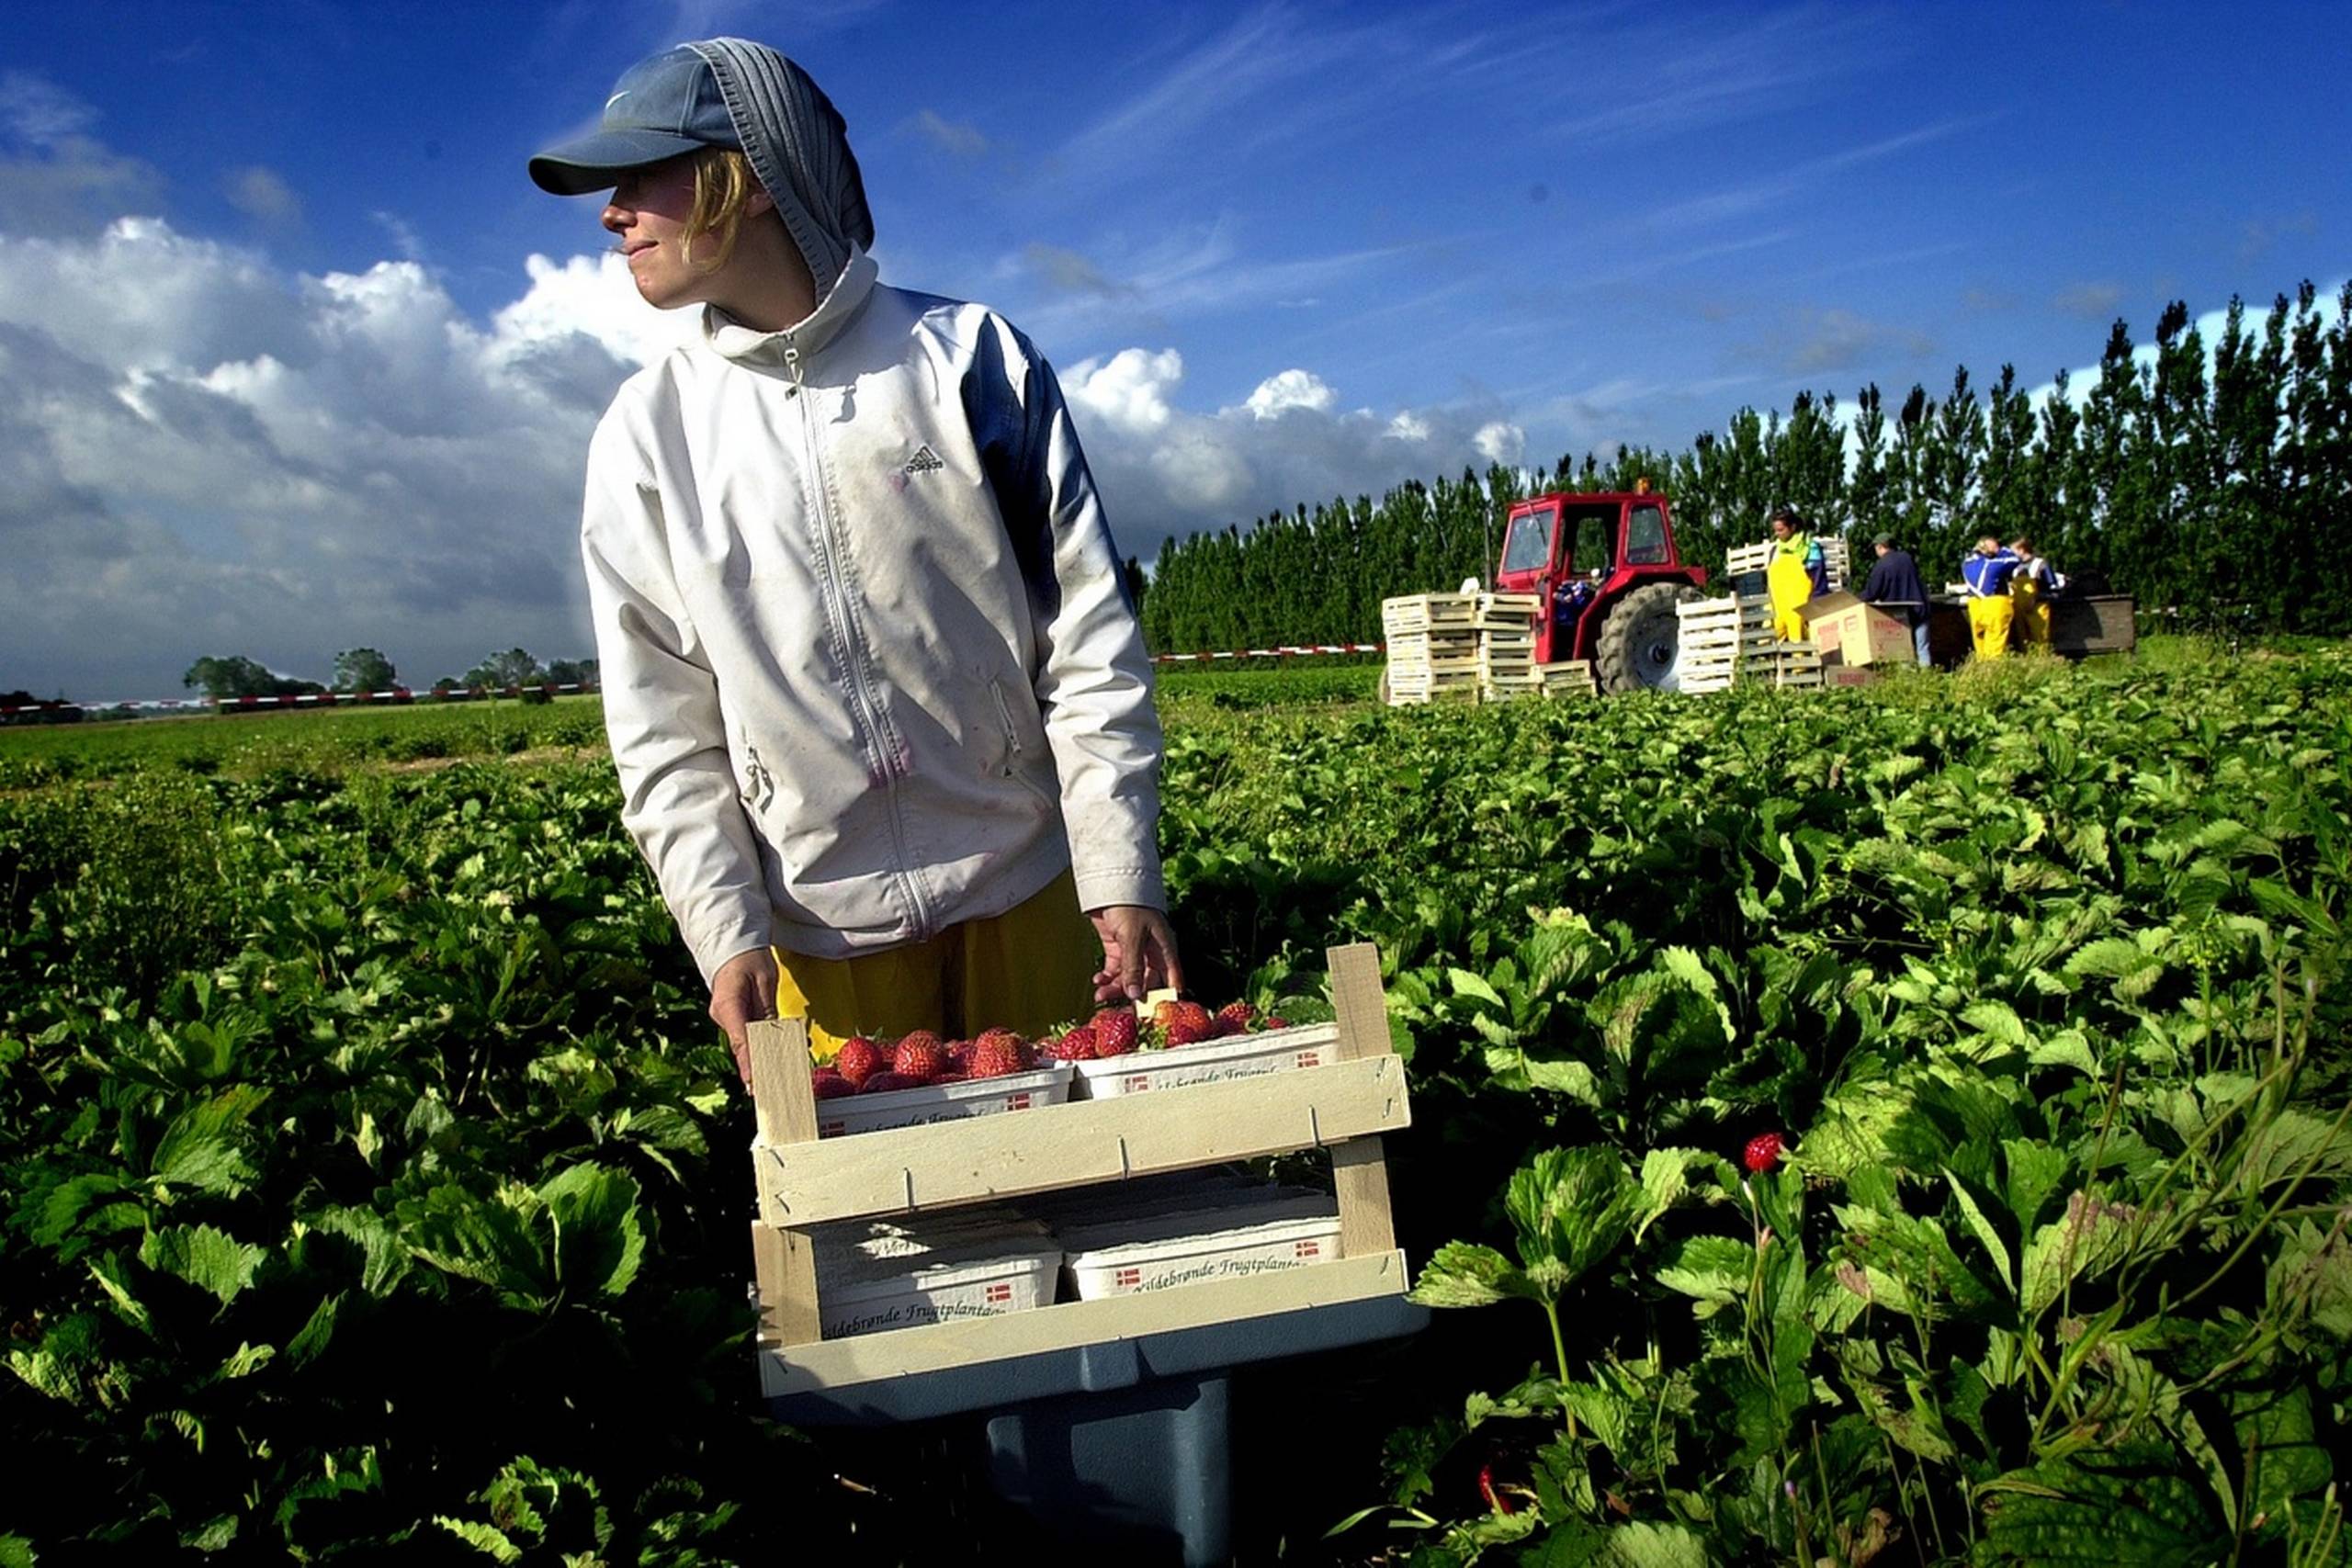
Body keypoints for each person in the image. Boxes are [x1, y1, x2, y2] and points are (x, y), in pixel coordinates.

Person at [529, 39, 1182, 1079]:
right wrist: (724, 932)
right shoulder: (649, 433)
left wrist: (1118, 865)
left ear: (742, 176)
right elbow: (663, 727)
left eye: (639, 174)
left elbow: (1089, 636)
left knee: (1073, 1192)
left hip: (1030, 897)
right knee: (891, 1228)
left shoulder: (973, 362)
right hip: (818, 939)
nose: (612, 212)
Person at [1860, 532, 1932, 668]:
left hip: (1899, 615)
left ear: (1880, 547)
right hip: (1920, 609)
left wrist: (1857, 599)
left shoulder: (1881, 566)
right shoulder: (1907, 558)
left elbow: (1872, 593)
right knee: (1923, 649)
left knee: (1903, 652)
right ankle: (1928, 679)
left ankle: (1908, 683)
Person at [1765, 506, 1826, 642]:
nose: (1777, 534)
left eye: (1781, 530)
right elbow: (1769, 583)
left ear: (1792, 527)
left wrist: (1816, 607)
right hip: (1778, 612)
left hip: (1801, 612)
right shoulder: (1775, 550)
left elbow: (1819, 579)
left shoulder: (1810, 548)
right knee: (1765, 644)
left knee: (1799, 650)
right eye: (1775, 530)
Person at [1961, 535, 2020, 661]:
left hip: (1975, 604)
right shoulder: (1992, 564)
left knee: (1980, 639)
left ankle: (1981, 665)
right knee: (1996, 638)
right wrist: (2002, 550)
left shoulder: (1967, 563)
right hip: (1995, 602)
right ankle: (1993, 667)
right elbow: (2014, 559)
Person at [2007, 536, 2058, 651]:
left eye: (2013, 551)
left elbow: (2054, 590)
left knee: (2041, 642)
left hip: (2038, 610)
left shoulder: (2041, 564)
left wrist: (2036, 598)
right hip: (2019, 611)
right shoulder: (2015, 568)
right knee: (2023, 643)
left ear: (2021, 550)